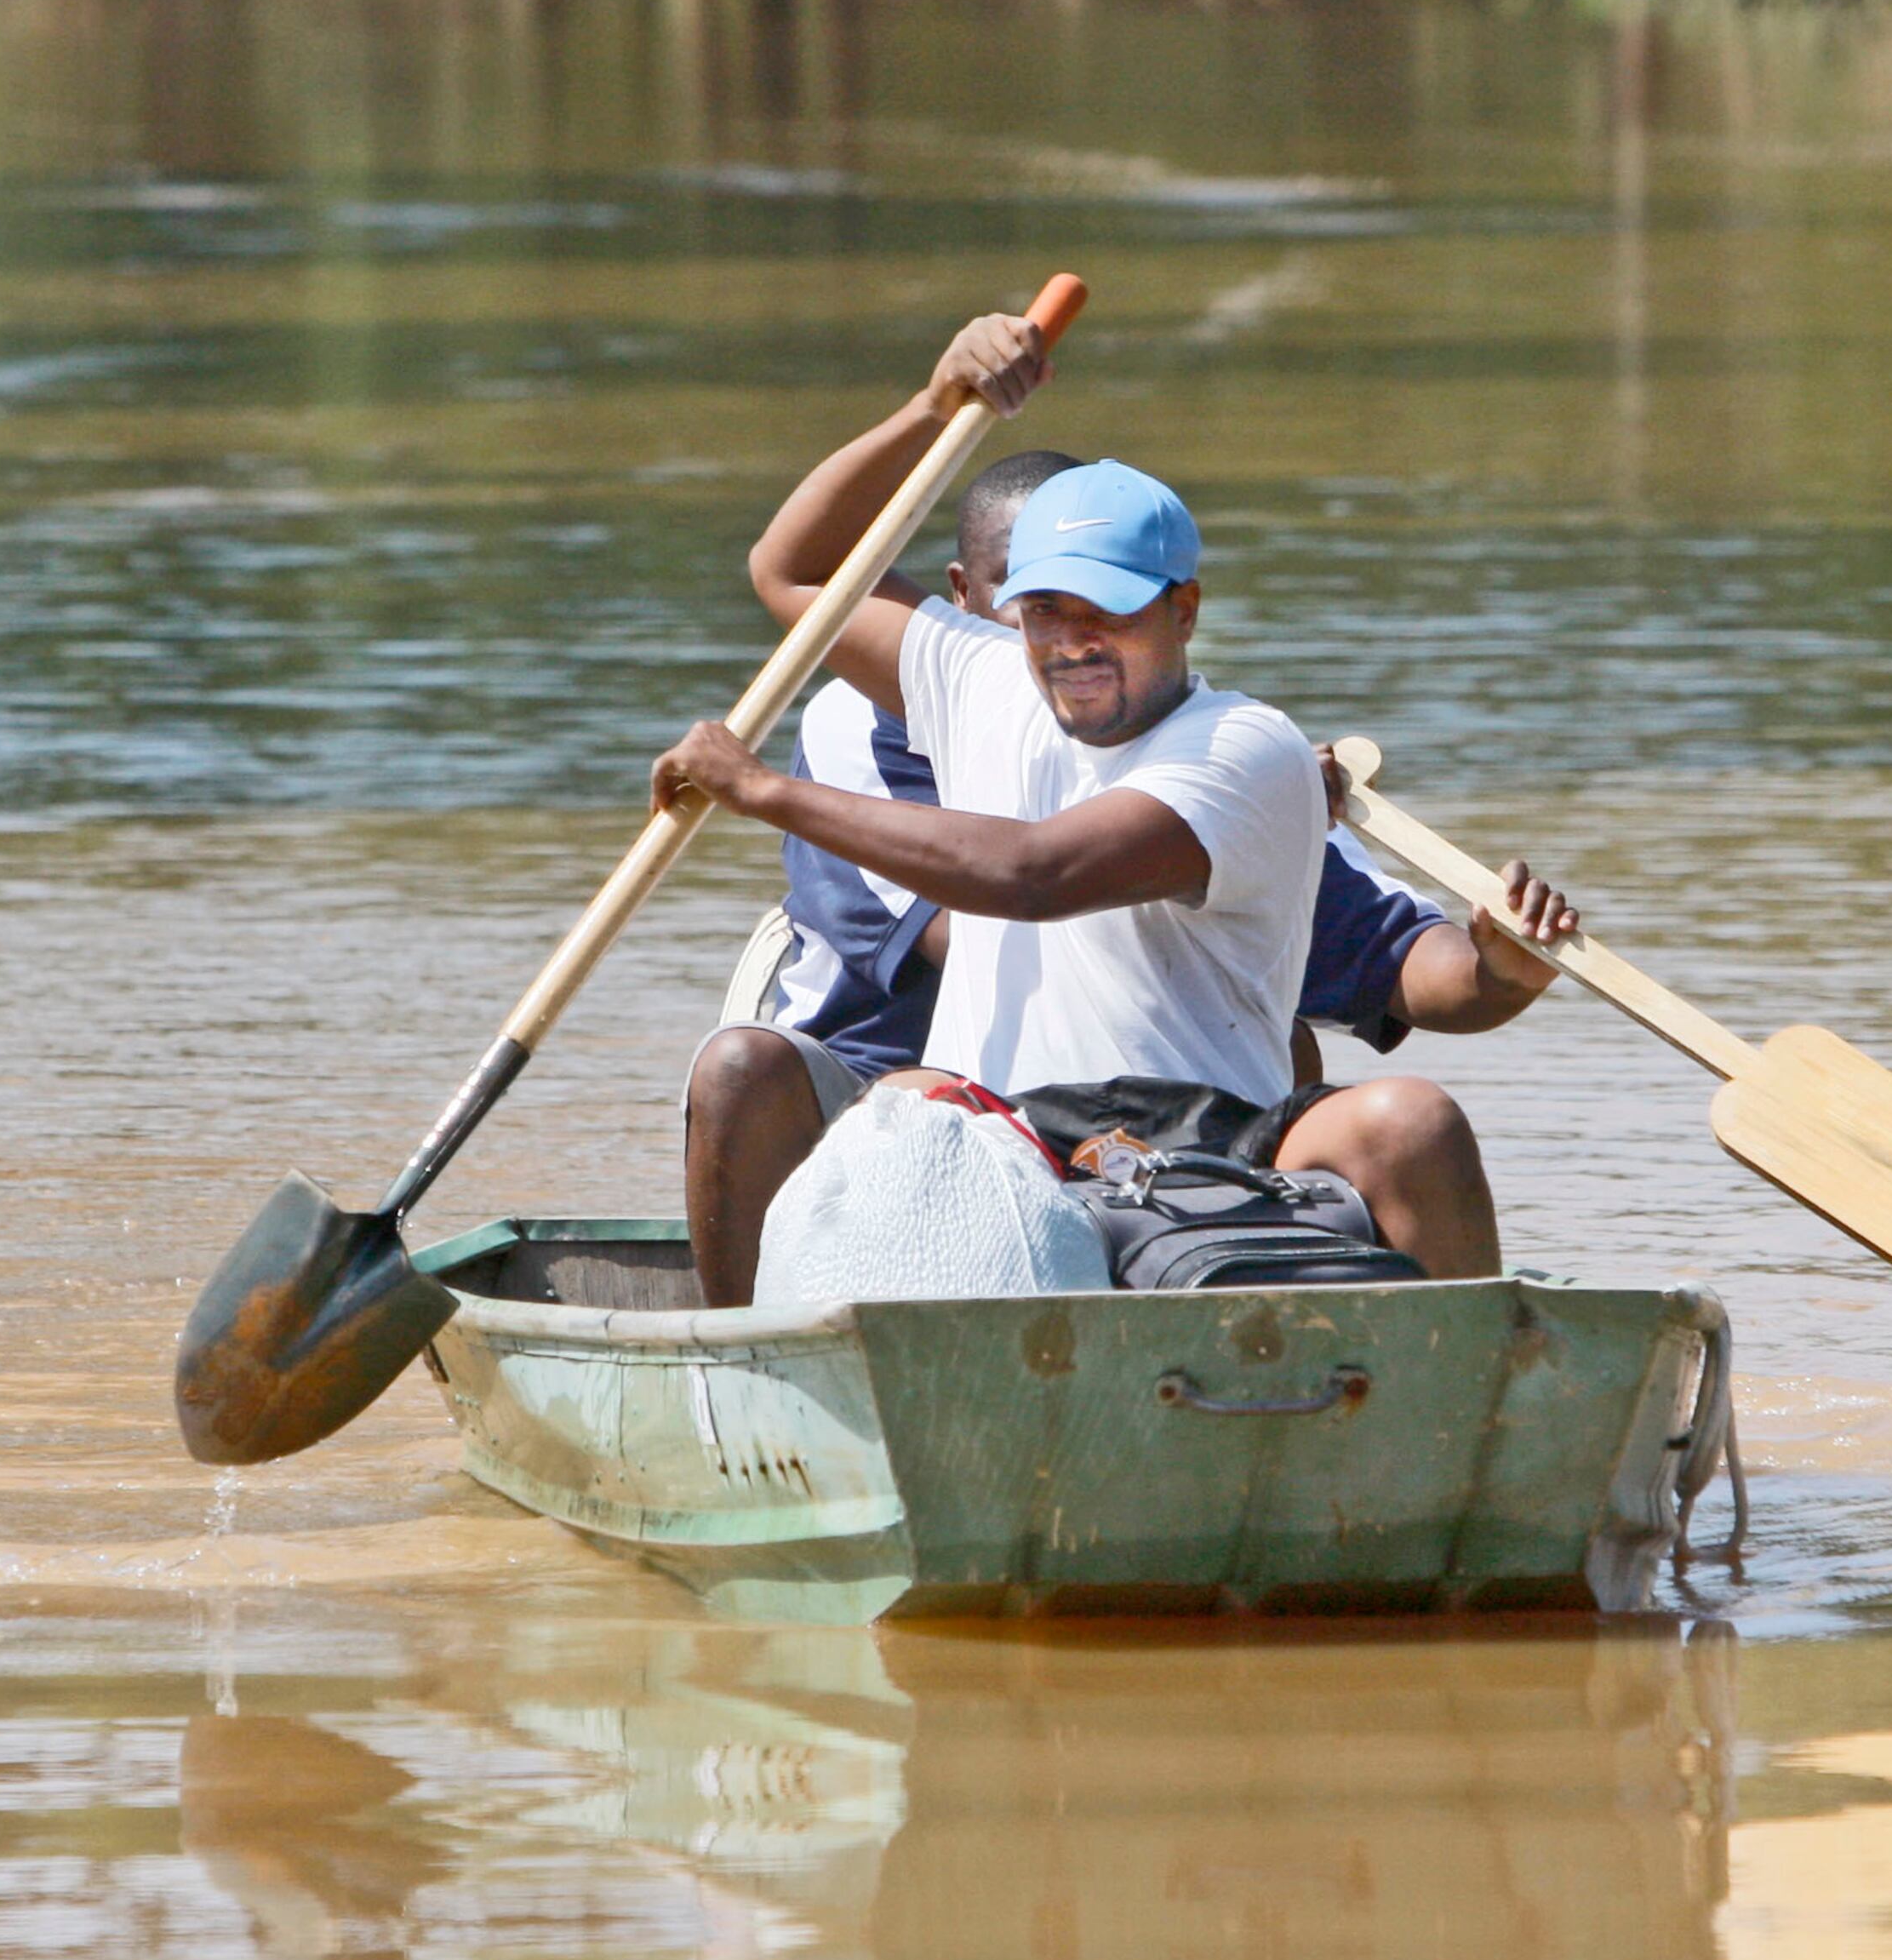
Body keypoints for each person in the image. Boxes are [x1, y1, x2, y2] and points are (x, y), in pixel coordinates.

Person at [652, 306, 1575, 1302]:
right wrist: (933, 404)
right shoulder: (977, 675)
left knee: (1414, 1121)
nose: (1074, 643)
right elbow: (794, 568)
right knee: (899, 1105)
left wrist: (765, 791)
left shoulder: (1245, 747)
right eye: (1047, 609)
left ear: (1184, 610)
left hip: (1211, 1127)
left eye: (1113, 611)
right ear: (1002, 607)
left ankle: (1479, 1401)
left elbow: (1035, 873)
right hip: (998, 1124)